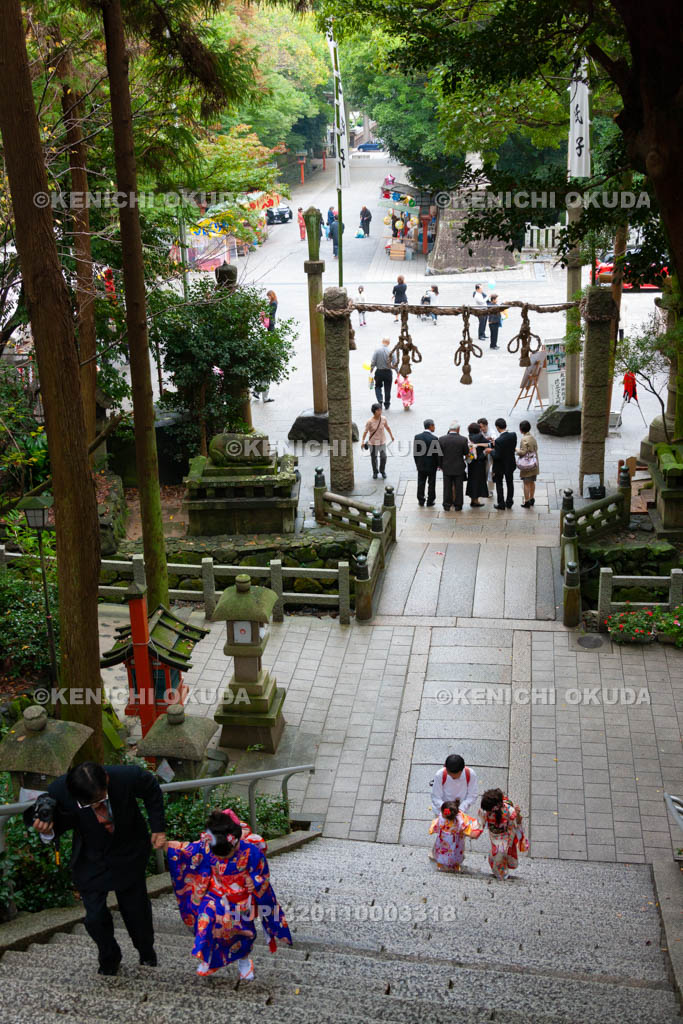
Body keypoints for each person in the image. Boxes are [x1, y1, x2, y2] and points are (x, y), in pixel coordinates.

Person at [29, 762, 166, 975]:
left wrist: (158, 828)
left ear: (106, 780)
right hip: (90, 857)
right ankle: (109, 957)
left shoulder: (127, 776)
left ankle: (146, 951)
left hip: (128, 851)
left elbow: (152, 789)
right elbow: (53, 818)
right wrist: (47, 830)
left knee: (136, 911)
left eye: (99, 801)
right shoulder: (60, 789)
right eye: (88, 804)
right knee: (94, 918)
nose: (95, 808)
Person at [167, 809, 292, 978]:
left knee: (241, 931)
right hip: (215, 893)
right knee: (205, 921)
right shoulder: (207, 845)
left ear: (235, 842)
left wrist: (253, 881)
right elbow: (187, 851)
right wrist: (170, 846)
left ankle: (244, 961)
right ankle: (208, 957)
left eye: (226, 854)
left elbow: (262, 874)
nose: (222, 857)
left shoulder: (250, 852)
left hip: (239, 899)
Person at [478, 789, 529, 880]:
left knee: (500, 853)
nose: (487, 812)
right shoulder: (486, 811)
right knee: (498, 854)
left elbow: (518, 822)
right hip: (494, 837)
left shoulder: (509, 810)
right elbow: (480, 824)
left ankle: (501, 875)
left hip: (505, 836)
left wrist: (517, 815)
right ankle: (500, 871)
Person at [429, 800, 475, 872]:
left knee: (443, 851)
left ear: (444, 814)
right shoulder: (460, 819)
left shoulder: (441, 819)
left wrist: (432, 829)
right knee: (455, 853)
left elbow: (435, 826)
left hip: (444, 840)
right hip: (456, 842)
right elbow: (467, 825)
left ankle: (442, 865)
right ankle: (455, 865)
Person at [438, 422, 469, 511]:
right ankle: (458, 505)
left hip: (446, 467)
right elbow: (466, 453)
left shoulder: (441, 439)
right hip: (459, 467)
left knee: (447, 487)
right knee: (459, 487)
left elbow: (438, 454)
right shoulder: (463, 439)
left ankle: (447, 505)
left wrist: (440, 466)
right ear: (458, 429)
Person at [488, 417, 517, 510]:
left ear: (497, 427)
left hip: (500, 465)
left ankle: (501, 503)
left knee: (499, 484)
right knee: (510, 483)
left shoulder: (498, 440)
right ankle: (509, 502)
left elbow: (497, 455)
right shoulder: (513, 435)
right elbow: (511, 447)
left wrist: (491, 451)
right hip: (510, 463)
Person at [362, 402, 394, 479]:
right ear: (374, 411)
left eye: (380, 410)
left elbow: (387, 427)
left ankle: (382, 471)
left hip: (382, 441)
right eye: (378, 410)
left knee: (383, 457)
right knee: (374, 458)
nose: (380, 411)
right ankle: (375, 472)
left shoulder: (383, 418)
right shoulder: (369, 421)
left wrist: (391, 436)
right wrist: (362, 441)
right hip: (373, 443)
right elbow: (365, 432)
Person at [256, 290, 278, 402]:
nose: (268, 297)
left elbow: (270, 313)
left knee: (264, 374)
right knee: (266, 374)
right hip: (270, 327)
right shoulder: (272, 303)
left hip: (271, 326)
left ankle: (256, 391)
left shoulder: (274, 303)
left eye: (269, 296)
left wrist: (263, 314)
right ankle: (259, 393)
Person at [413, 418, 441, 507]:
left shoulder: (417, 437)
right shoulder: (434, 438)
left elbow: (415, 453)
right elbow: (437, 453)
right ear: (431, 426)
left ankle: (421, 500)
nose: (434, 427)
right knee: (431, 483)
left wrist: (417, 464)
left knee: (421, 483)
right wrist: (438, 464)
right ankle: (430, 500)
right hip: (432, 465)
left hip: (421, 464)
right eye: (434, 425)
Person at [465, 421, 489, 507]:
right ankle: (475, 501)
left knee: (472, 480)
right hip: (479, 462)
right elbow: (489, 444)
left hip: (471, 462)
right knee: (478, 481)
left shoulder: (469, 437)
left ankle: (472, 500)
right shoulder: (480, 436)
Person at [517, 419, 539, 508]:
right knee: (532, 482)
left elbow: (523, 452)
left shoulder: (524, 439)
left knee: (526, 483)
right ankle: (532, 498)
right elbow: (536, 448)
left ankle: (526, 501)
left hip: (527, 464)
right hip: (534, 463)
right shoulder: (532, 437)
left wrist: (516, 450)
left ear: (521, 430)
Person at [370, 337, 395, 409]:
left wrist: (371, 369)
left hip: (379, 372)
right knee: (388, 388)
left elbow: (373, 361)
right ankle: (387, 404)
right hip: (388, 372)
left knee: (377, 386)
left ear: (382, 342)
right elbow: (395, 363)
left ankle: (380, 400)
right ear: (389, 343)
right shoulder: (391, 351)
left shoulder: (377, 350)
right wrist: (398, 372)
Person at [478, 416, 494, 497]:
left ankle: (490, 490)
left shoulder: (492, 432)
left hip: (490, 456)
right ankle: (482, 489)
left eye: (484, 426)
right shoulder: (479, 432)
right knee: (482, 473)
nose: (483, 428)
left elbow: (494, 441)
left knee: (490, 473)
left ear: (487, 425)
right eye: (481, 427)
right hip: (482, 455)